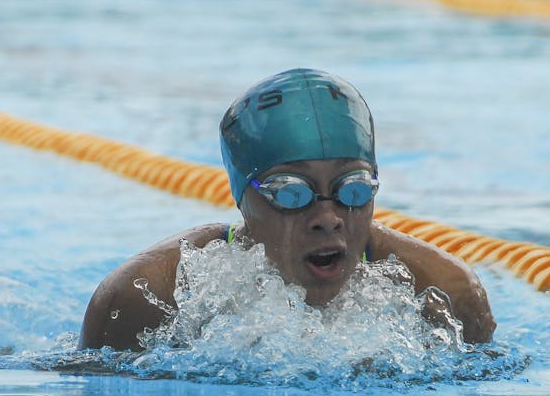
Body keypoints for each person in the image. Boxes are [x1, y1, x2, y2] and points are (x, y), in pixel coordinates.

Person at [80, 68, 496, 351]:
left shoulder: (443, 292)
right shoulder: (147, 296)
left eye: (353, 189)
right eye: (291, 192)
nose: (329, 217)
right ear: (244, 199)